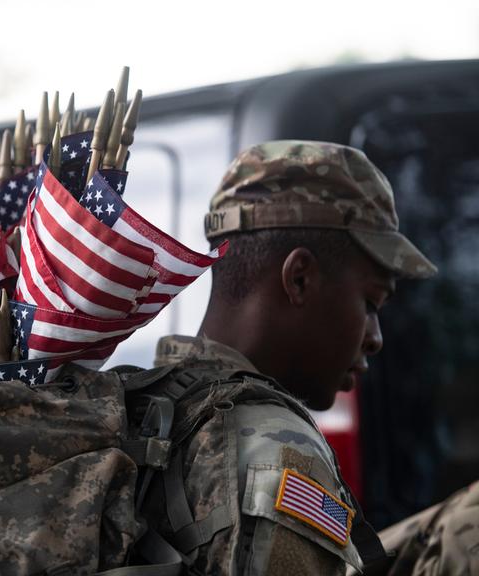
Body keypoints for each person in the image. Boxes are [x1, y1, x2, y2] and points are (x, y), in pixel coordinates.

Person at [143, 140, 437, 575]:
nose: (375, 338)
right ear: (299, 278)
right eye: (371, 303)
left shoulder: (149, 405)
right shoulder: (278, 449)